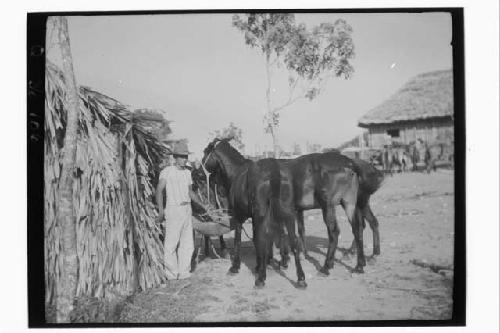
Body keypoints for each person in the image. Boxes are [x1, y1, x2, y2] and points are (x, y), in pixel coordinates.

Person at [156, 141, 203, 280]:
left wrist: (203, 205)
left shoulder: (188, 173)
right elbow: (159, 190)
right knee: (171, 243)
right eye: (182, 157)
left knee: (188, 243)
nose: (184, 159)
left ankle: (184, 272)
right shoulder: (167, 172)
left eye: (186, 156)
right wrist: (160, 211)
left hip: (186, 209)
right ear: (175, 157)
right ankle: (171, 273)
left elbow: (190, 192)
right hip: (173, 209)